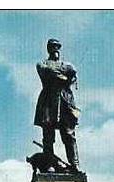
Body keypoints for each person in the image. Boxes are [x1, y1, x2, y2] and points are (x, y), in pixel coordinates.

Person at [34, 38, 82, 172]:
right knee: (48, 135)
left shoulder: (66, 65)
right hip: (49, 101)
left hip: (65, 101)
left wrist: (64, 77)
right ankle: (49, 164)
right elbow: (47, 71)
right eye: (53, 46)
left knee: (69, 134)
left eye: (57, 47)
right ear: (48, 48)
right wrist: (62, 76)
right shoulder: (42, 63)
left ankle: (75, 164)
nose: (56, 49)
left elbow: (72, 75)